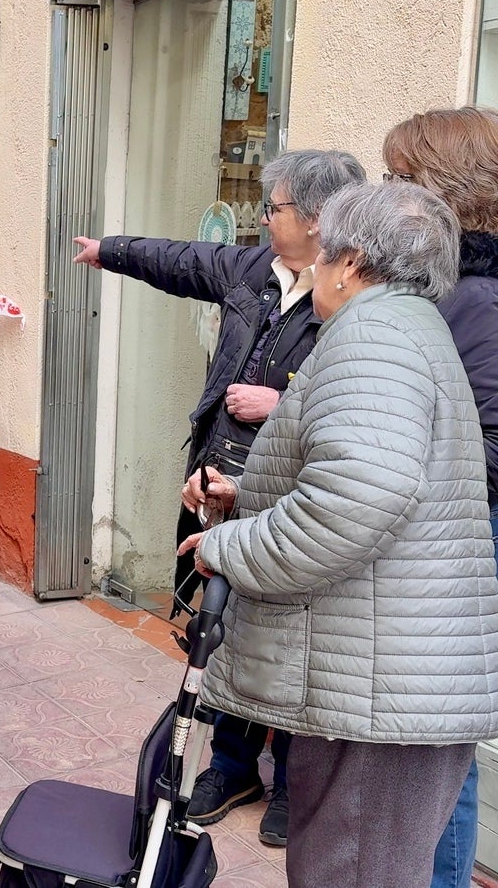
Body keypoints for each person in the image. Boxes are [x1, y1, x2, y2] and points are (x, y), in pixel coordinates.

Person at [179, 180, 498, 888]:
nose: (315, 268)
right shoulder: (409, 329)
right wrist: (249, 499)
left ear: (350, 263)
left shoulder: (374, 336)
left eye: (322, 255)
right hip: (382, 677)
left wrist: (229, 546)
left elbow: (360, 495)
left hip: (377, 694)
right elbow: (378, 483)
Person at [71, 149, 366, 846]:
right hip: (224, 475)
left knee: (297, 638)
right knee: (223, 629)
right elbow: (181, 261)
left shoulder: (358, 290)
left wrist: (285, 399)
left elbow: (365, 395)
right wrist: (110, 251)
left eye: (276, 208)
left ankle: (294, 783)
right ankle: (234, 766)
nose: (264, 219)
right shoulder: (254, 268)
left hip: (297, 489)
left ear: (320, 220)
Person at [381, 106, 498, 888]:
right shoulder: (450, 288)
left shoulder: (478, 299)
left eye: (396, 178)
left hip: (454, 552)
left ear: (442, 191)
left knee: (434, 758)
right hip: (445, 545)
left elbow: (483, 453)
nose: (385, 193)